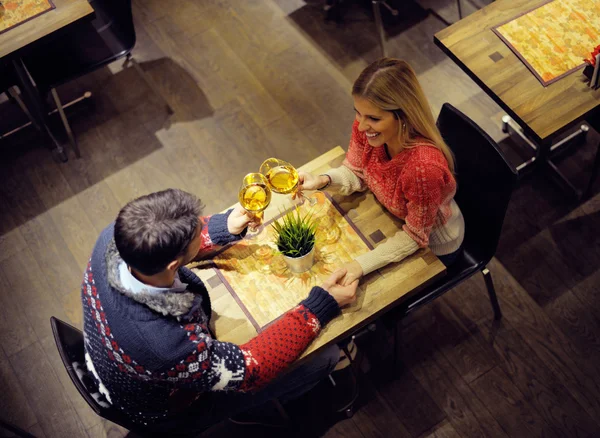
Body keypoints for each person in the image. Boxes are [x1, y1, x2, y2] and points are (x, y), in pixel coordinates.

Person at [81, 188, 358, 435]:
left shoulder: (117, 236)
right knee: (327, 355)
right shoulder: (167, 345)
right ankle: (250, 411)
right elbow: (252, 368)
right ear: (173, 264)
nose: (201, 226)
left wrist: (224, 225)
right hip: (173, 409)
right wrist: (321, 306)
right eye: (196, 232)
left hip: (116, 361)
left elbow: (181, 241)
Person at [298, 58, 465, 286]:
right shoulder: (367, 129)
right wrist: (322, 180)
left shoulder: (423, 169)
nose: (361, 125)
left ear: (404, 116)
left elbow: (416, 236)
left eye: (374, 118)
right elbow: (356, 173)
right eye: (358, 113)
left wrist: (359, 266)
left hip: (433, 247)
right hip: (392, 219)